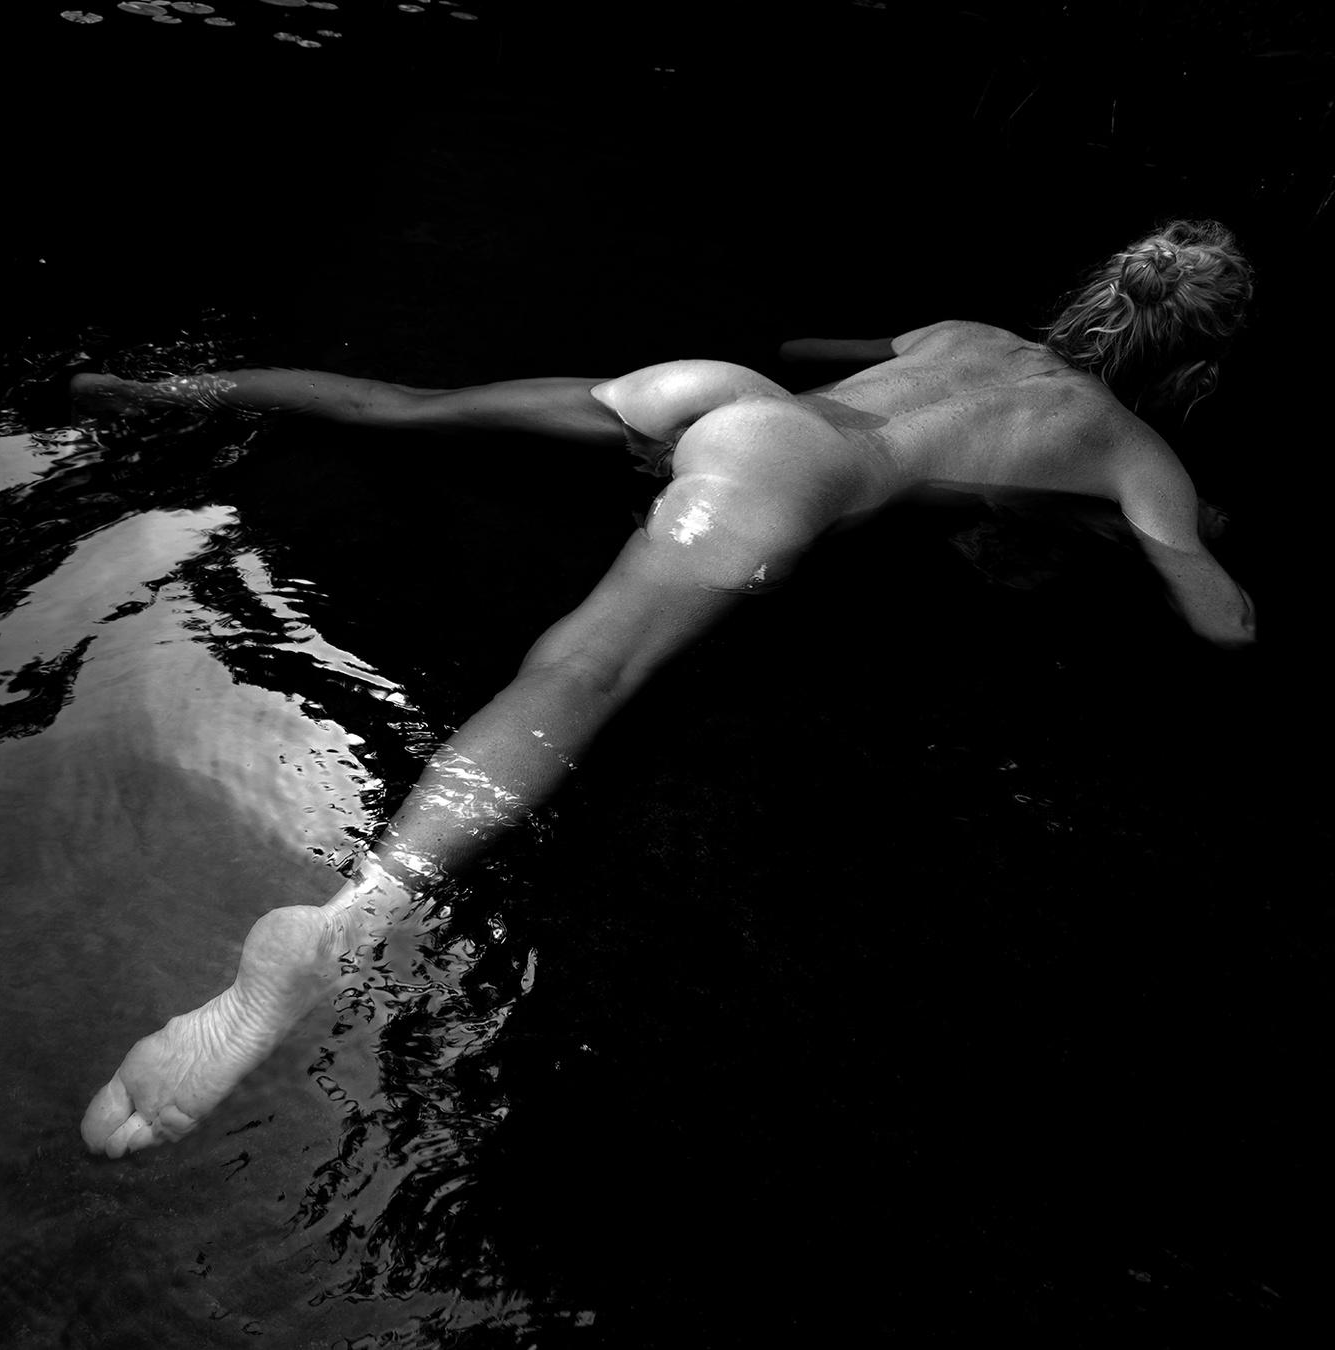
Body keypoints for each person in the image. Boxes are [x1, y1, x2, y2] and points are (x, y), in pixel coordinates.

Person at [76, 219, 1256, 1157]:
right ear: (1197, 365)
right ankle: (342, 926)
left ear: (1104, 288)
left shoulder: (968, 330)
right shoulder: (1129, 447)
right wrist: (1168, 523)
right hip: (787, 472)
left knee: (413, 409)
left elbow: (809, 352)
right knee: (584, 671)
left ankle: (142, 393)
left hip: (724, 395)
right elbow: (1220, 624)